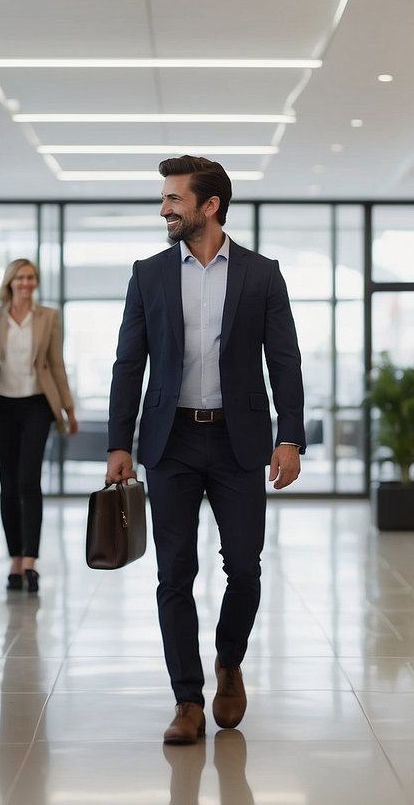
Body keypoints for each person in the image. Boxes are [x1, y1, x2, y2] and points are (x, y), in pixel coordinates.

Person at [105, 155, 306, 745]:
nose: (164, 209)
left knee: (244, 567)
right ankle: (187, 699)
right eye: (165, 199)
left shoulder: (261, 274)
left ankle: (229, 662)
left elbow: (285, 359)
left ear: (209, 206)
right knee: (174, 573)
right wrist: (121, 442)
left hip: (238, 441)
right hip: (170, 442)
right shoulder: (148, 274)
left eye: (174, 199)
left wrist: (288, 436)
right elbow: (128, 362)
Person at [0, 258, 79, 594]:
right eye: (21, 278)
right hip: (0, 407)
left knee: (28, 481)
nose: (27, 283)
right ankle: (14, 559)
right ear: (10, 282)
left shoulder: (49, 317)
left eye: (31, 277)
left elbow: (56, 364)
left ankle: (30, 561)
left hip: (36, 405)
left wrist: (69, 409)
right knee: (7, 484)